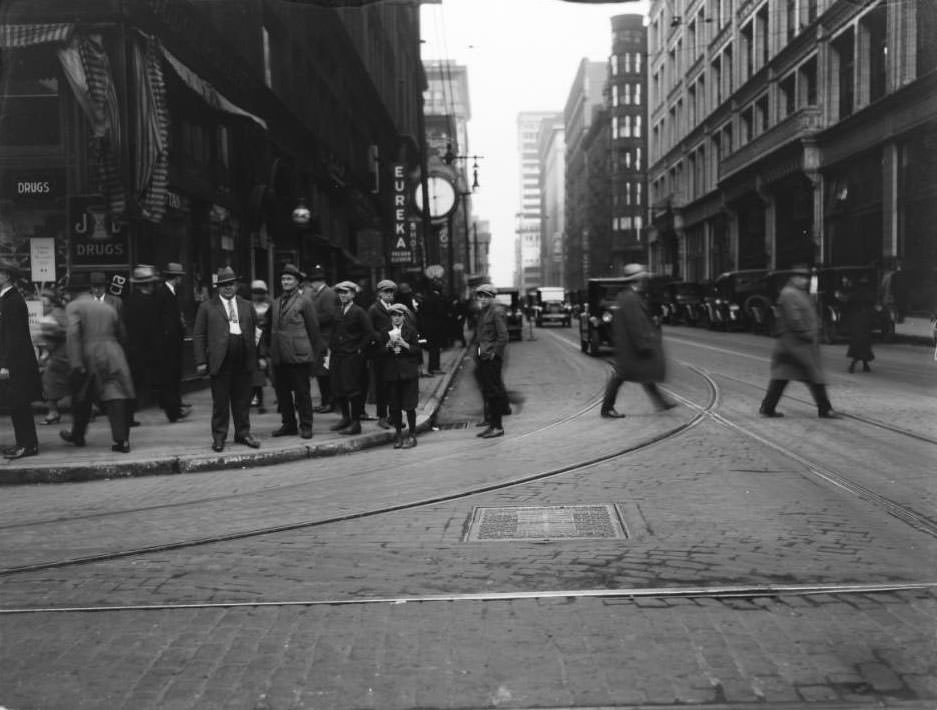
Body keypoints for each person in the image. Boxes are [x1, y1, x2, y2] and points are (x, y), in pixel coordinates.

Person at [60, 275, 136, 453]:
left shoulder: (74, 306)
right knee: (115, 395)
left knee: (81, 395)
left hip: (89, 353)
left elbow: (73, 334)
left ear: (72, 293)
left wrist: (76, 362)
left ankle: (78, 434)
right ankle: (122, 440)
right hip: (113, 352)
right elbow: (122, 333)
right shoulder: (107, 308)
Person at [192, 266, 263, 452]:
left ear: (237, 285)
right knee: (221, 402)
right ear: (218, 287)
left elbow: (257, 331)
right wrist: (201, 361)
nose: (227, 288)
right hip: (220, 361)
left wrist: (260, 356)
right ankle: (219, 437)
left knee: (242, 401)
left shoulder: (246, 306)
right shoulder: (207, 307)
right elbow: (199, 335)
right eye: (223, 285)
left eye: (230, 284)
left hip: (243, 359)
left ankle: (243, 433)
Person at [759, 264, 839, 419]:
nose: (805, 281)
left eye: (806, 278)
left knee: (782, 377)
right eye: (801, 278)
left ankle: (768, 407)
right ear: (793, 278)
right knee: (813, 375)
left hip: (792, 345)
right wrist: (807, 332)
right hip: (796, 344)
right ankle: (825, 409)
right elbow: (794, 318)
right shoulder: (790, 294)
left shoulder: (799, 293)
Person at [601, 263, 677, 418]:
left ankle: (662, 402)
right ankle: (607, 408)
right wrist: (643, 344)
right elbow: (635, 324)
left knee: (644, 374)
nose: (644, 282)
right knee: (622, 375)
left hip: (629, 346)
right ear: (637, 281)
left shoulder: (628, 296)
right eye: (642, 279)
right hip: (633, 347)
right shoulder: (630, 298)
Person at [265, 264, 322, 439]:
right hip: (279, 355)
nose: (285, 282)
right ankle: (288, 424)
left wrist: (314, 356)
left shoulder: (304, 301)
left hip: (299, 355)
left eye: (289, 279)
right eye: (283, 279)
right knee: (282, 392)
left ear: (297, 282)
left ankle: (306, 425)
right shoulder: (276, 302)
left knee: (302, 393)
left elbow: (314, 330)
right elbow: (268, 328)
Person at [0, 259, 41, 459]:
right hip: (13, 360)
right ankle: (22, 443)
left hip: (16, 362)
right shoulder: (6, 299)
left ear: (6, 276)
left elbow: (13, 336)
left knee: (20, 404)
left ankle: (28, 445)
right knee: (16, 404)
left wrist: (5, 365)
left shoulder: (12, 301)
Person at [329, 280, 376, 435]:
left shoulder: (358, 312)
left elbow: (369, 333)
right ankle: (345, 418)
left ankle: (356, 423)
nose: (343, 295)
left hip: (351, 356)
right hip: (337, 355)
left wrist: (359, 349)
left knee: (352, 389)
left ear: (353, 294)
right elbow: (333, 332)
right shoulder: (337, 310)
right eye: (340, 292)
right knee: (338, 387)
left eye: (346, 292)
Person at [123, 265, 161, 426]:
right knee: (137, 383)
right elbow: (152, 328)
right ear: (148, 284)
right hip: (143, 349)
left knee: (132, 383)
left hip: (131, 348)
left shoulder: (129, 300)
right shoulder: (148, 302)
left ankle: (129, 415)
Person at [380, 303, 421, 449]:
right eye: (393, 315)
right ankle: (398, 436)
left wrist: (405, 344)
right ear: (390, 317)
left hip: (408, 374)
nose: (396, 318)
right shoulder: (385, 331)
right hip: (392, 374)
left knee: (410, 406)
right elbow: (378, 353)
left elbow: (418, 351)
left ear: (404, 316)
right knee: (395, 407)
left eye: (399, 315)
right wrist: (387, 346)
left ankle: (412, 435)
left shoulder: (411, 331)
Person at [472, 283, 509, 439]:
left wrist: (495, 354)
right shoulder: (483, 312)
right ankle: (492, 425)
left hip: (491, 359)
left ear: (492, 297)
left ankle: (498, 426)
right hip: (483, 357)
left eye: (486, 296)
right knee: (488, 391)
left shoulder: (496, 312)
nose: (483, 299)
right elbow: (481, 338)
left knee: (494, 392)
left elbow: (503, 336)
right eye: (481, 296)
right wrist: (479, 355)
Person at [155, 263, 189, 421]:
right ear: (176, 278)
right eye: (180, 277)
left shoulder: (172, 292)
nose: (181, 280)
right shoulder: (163, 292)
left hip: (173, 342)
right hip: (168, 343)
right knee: (170, 376)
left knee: (174, 375)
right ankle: (173, 411)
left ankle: (176, 407)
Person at [303, 266, 337, 413]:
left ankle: (330, 402)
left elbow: (330, 315)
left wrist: (312, 320)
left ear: (317, 282)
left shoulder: (328, 293)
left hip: (326, 339)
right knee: (320, 372)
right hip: (319, 339)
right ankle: (325, 401)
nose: (311, 285)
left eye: (313, 282)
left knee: (325, 373)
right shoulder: (318, 293)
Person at [367, 279, 397, 429]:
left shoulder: (395, 308)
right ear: (379, 294)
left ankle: (393, 415)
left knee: (394, 385)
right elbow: (370, 330)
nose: (389, 294)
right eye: (386, 291)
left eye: (391, 292)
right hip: (381, 352)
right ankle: (382, 416)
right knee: (382, 386)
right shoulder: (374, 309)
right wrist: (383, 339)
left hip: (394, 352)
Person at [37, 287, 70, 426]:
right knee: (74, 383)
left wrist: (43, 355)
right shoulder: (62, 312)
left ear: (52, 302)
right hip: (69, 353)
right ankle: (87, 410)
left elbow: (51, 339)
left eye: (45, 302)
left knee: (48, 380)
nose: (43, 305)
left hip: (60, 355)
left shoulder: (51, 316)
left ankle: (53, 413)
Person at [844, 276, 875, 373]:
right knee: (865, 344)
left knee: (857, 343)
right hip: (865, 322)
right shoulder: (870, 294)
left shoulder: (855, 294)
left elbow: (848, 305)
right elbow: (873, 308)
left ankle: (855, 365)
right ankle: (864, 365)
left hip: (857, 322)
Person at [249, 280, 272, 413]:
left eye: (260, 293)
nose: (257, 295)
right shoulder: (249, 306)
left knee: (272, 374)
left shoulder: (270, 305)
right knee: (257, 373)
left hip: (267, 340)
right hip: (256, 342)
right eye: (255, 293)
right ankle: (257, 399)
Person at [420, 278, 449, 374]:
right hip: (436, 328)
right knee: (435, 348)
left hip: (428, 327)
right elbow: (441, 313)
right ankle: (434, 368)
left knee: (432, 348)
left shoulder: (426, 298)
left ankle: (433, 367)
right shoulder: (438, 298)